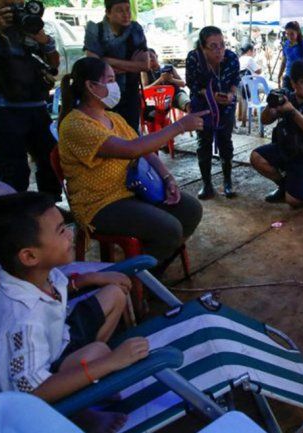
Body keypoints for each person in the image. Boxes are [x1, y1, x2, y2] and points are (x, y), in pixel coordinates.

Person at [0, 192, 150, 433]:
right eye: (61, 230)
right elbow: (31, 393)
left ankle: (85, 383)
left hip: (53, 346)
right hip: (14, 401)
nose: (71, 234)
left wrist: (93, 278)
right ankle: (80, 413)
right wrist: (110, 362)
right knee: (98, 353)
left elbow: (61, 282)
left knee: (114, 294)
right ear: (30, 256)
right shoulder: (23, 321)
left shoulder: (36, 274)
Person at [58, 57, 205, 270]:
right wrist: (179, 126)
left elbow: (144, 150)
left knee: (190, 210)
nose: (114, 85)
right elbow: (132, 150)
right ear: (90, 86)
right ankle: (129, 280)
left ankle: (151, 270)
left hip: (133, 189)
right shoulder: (75, 125)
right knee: (169, 229)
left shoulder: (112, 118)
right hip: (100, 203)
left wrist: (167, 178)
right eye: (109, 80)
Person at [0, 0, 62, 198]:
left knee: (51, 161)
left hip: (35, 103)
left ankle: (49, 210)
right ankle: (16, 220)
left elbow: (54, 63)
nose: (16, 3)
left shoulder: (27, 20)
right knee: (13, 170)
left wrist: (44, 41)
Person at [251, 60, 303, 208]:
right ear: (293, 83)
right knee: (256, 157)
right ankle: (284, 186)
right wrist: (272, 105)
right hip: (288, 149)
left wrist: (292, 111)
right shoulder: (288, 98)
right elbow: (264, 120)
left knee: (294, 202)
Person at [185, 26, 241, 200]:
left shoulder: (231, 58)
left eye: (222, 44)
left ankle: (227, 182)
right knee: (204, 142)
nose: (219, 50)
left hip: (226, 106)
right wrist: (210, 96)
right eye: (213, 46)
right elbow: (192, 84)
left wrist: (231, 95)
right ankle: (207, 184)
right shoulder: (194, 58)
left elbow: (235, 81)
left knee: (225, 140)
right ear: (202, 47)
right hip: (202, 104)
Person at [84, 0, 150, 133]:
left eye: (128, 9)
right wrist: (132, 64)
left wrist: (108, 61)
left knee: (130, 134)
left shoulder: (135, 30)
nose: (126, 14)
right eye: (120, 10)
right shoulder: (96, 31)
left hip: (130, 94)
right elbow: (95, 69)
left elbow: (145, 65)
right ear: (108, 12)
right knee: (108, 135)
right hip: (103, 95)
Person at [141, 48, 191, 123]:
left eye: (151, 56)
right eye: (147, 58)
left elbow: (183, 84)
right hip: (155, 100)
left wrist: (172, 80)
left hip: (174, 96)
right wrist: (160, 80)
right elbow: (145, 89)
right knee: (151, 113)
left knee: (187, 102)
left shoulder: (169, 67)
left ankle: (191, 122)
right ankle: (160, 126)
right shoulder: (145, 72)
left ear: (156, 56)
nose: (150, 59)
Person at [278, 21, 303, 91]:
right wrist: (279, 75)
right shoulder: (286, 44)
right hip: (288, 77)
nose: (289, 37)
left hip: (300, 79)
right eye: (287, 34)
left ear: (297, 32)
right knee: (286, 99)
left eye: (292, 34)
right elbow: (284, 61)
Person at [238, 43, 262, 128]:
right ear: (249, 51)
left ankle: (243, 118)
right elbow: (259, 71)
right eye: (253, 51)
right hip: (249, 86)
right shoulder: (249, 59)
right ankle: (258, 111)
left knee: (245, 98)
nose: (253, 53)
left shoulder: (239, 59)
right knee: (263, 89)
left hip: (240, 86)